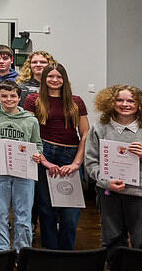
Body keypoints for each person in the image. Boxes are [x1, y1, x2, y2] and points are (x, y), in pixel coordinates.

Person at [84, 84, 142, 263]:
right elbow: (90, 163)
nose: (125, 104)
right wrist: (106, 182)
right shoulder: (99, 129)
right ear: (110, 102)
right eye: (119, 100)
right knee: (111, 242)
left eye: (131, 101)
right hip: (109, 194)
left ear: (140, 104)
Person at [21, 63, 88, 250]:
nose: (54, 80)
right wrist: (44, 161)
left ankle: (67, 253)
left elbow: (85, 135)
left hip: (70, 154)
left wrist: (76, 163)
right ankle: (50, 254)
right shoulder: (33, 100)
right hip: (44, 153)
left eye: (59, 76)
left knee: (71, 212)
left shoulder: (76, 101)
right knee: (46, 209)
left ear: (64, 79)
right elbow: (29, 134)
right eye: (50, 76)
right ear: (44, 79)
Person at [0, 81, 43, 252]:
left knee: (24, 214)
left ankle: (23, 251)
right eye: (4, 96)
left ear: (19, 98)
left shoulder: (31, 120)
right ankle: (2, 251)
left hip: (24, 172)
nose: (9, 99)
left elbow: (37, 144)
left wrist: (37, 154)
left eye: (13, 96)